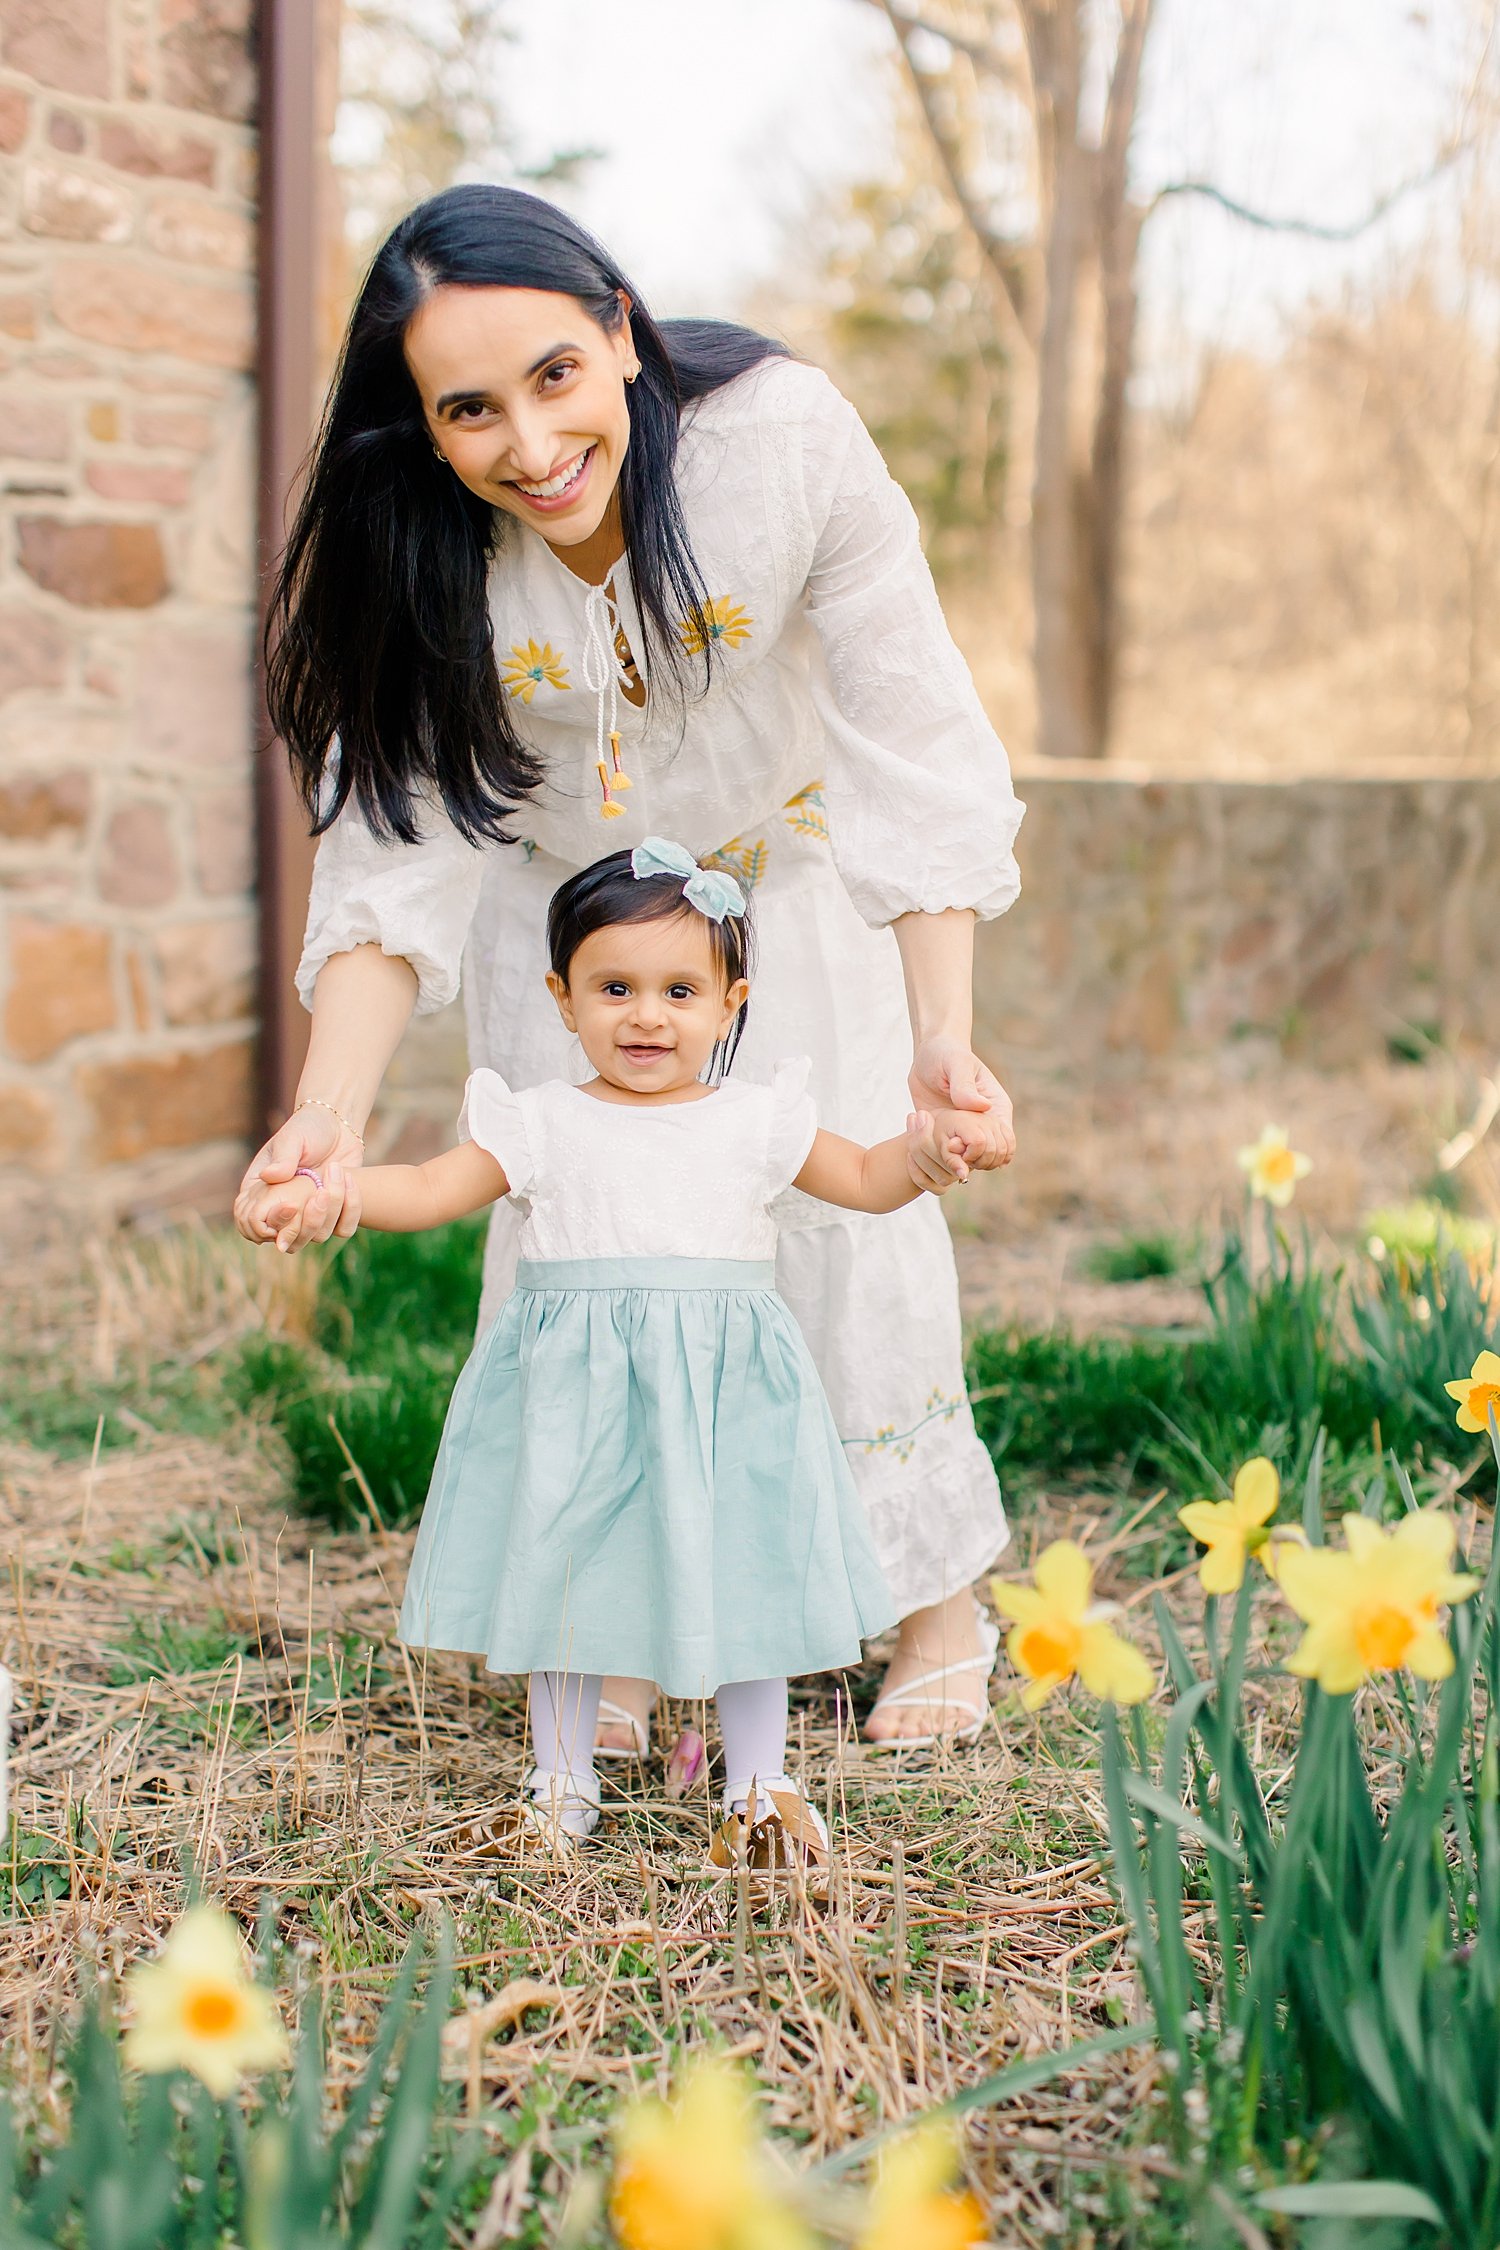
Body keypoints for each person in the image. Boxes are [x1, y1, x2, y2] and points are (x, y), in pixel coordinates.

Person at [235, 182, 1026, 1753]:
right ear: (424, 426)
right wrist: (329, 1110)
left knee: (835, 1238)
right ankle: (624, 1615)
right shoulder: (425, 549)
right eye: (469, 410)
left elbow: (912, 736)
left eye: (552, 377)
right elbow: (397, 846)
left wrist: (942, 1031)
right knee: (587, 1255)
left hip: (777, 886)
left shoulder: (779, 446)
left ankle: (932, 1593)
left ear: (617, 324)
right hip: (566, 937)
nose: (528, 447)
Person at [240, 843, 978, 1862]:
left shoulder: (759, 1119)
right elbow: (434, 1189)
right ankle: (559, 1779)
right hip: (576, 1393)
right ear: (562, 996)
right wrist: (339, 1193)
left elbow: (862, 1174)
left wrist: (929, 1156)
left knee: (746, 1568)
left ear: (732, 1002)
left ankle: (760, 1782)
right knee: (569, 1573)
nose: (647, 1016)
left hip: (725, 1392)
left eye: (681, 990)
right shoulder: (541, 1122)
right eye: (615, 987)